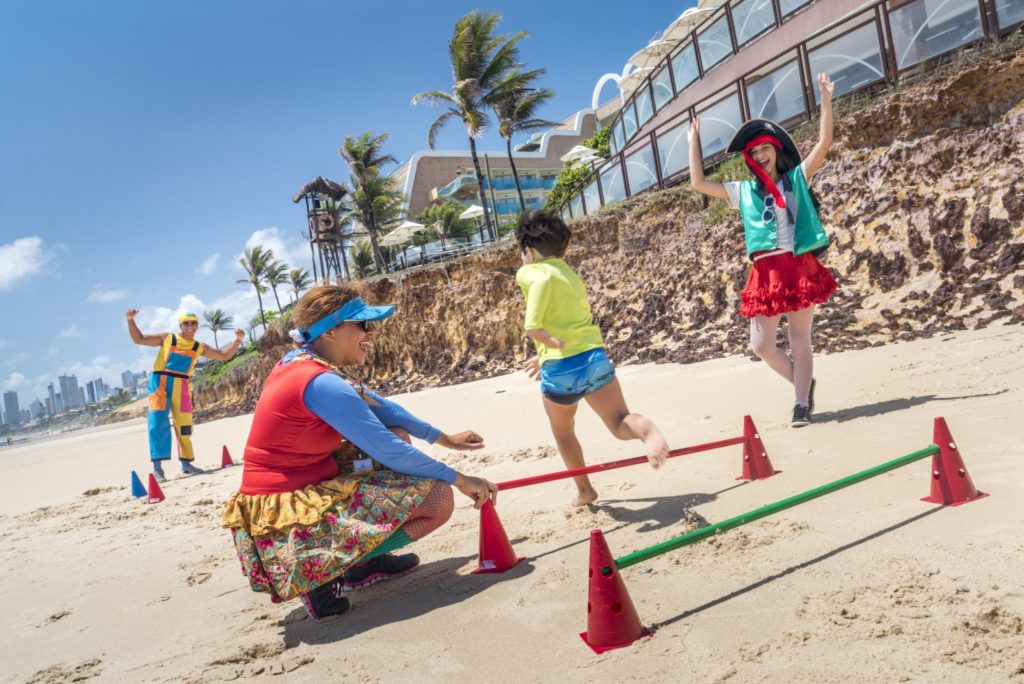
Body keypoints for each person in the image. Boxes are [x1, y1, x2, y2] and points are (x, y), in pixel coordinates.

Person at [220, 285, 497, 622]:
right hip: (286, 512)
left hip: (306, 483)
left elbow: (386, 410)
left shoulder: (303, 360)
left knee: (399, 433)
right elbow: (389, 451)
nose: (372, 332)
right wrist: (459, 479)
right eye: (363, 325)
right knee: (438, 499)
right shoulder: (320, 382)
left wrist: (446, 439)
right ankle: (323, 572)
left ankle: (362, 565)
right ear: (331, 331)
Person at [688, 73, 839, 427]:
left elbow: (824, 143)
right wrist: (694, 141)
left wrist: (826, 99)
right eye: (753, 152)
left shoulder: (795, 179)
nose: (760, 155)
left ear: (776, 150)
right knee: (761, 346)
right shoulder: (742, 191)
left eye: (764, 148)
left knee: (800, 340)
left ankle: (801, 403)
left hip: (797, 265)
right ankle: (804, 383)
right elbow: (698, 183)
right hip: (765, 271)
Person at [515, 210, 670, 507]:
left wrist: (538, 335)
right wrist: (543, 353)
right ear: (565, 248)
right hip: (592, 358)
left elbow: (539, 293)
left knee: (563, 432)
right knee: (619, 420)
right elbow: (569, 323)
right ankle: (646, 431)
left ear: (529, 251)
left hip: (561, 369)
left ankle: (585, 490)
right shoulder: (570, 275)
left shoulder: (531, 271)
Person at [126, 309, 245, 481]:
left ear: (197, 326)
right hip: (160, 383)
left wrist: (238, 340)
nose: (190, 326)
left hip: (181, 385)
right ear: (180, 325)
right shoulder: (168, 338)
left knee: (184, 425)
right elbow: (139, 339)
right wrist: (130, 320)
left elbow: (224, 355)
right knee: (157, 423)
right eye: (186, 323)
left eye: (193, 323)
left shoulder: (198, 347)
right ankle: (158, 468)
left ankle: (186, 464)